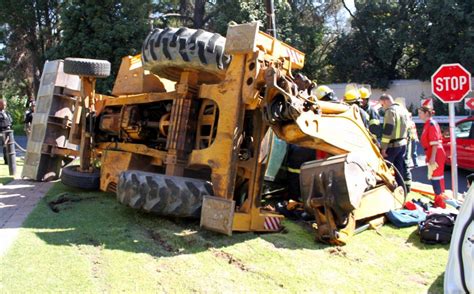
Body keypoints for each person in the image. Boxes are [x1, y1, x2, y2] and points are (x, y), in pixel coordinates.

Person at [417, 103, 447, 208]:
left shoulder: (431, 124)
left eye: (420, 113)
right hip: (432, 153)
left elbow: (435, 142)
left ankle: (441, 203)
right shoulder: (428, 124)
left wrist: (433, 157)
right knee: (435, 179)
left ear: (426, 113)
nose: (419, 115)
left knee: (437, 179)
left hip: (436, 154)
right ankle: (438, 201)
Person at [379, 94, 410, 192]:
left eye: (382, 105)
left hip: (392, 146)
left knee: (384, 169)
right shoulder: (403, 110)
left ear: (385, 102)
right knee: (399, 169)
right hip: (402, 144)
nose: (383, 107)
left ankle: (384, 190)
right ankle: (402, 190)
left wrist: (383, 148)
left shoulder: (390, 111)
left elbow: (388, 130)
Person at [0, 99, 13, 164]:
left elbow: (10, 120)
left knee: (9, 145)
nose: (4, 106)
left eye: (5, 105)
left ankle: (9, 159)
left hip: (8, 131)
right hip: (2, 131)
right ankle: (6, 160)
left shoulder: (6, 112)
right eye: (3, 105)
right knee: (5, 146)